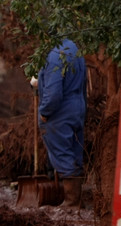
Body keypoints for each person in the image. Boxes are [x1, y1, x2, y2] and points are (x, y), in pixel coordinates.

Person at [37, 38, 87, 208]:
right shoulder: (74, 49)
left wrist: (44, 112)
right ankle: (77, 200)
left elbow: (54, 92)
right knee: (74, 152)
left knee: (62, 153)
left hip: (60, 111)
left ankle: (71, 202)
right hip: (77, 107)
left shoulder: (54, 56)